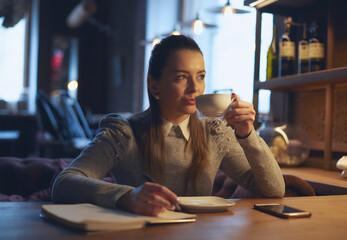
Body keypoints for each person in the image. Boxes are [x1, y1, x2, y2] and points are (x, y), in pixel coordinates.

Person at [52, 35, 285, 216]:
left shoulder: (215, 132)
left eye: (201, 76)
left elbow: (274, 189)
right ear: (154, 87)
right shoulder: (123, 133)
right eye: (181, 77)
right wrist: (126, 196)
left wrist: (247, 134)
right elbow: (63, 183)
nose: (195, 87)